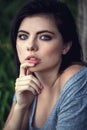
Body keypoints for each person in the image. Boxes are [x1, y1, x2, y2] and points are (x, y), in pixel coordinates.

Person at [3, 0, 87, 130]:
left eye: (44, 37)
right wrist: (21, 106)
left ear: (66, 46)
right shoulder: (28, 78)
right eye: (23, 36)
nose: (30, 46)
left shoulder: (78, 80)